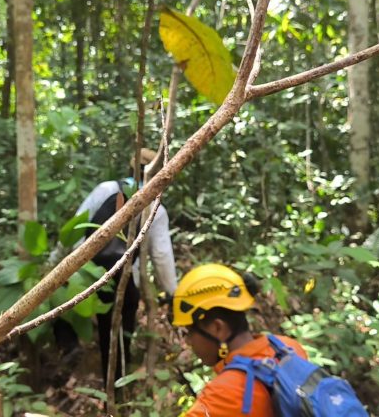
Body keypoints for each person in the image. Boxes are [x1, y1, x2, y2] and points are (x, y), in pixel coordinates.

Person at [74, 148, 177, 384]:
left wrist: (62, 267)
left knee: (100, 329)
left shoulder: (105, 190)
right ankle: (117, 387)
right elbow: (161, 256)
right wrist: (172, 292)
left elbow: (76, 227)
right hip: (126, 279)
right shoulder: (156, 209)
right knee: (120, 336)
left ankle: (91, 372)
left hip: (91, 274)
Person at [171, 264, 308, 417]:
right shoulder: (288, 347)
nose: (189, 341)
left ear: (218, 328)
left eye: (190, 332)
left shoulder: (221, 396)